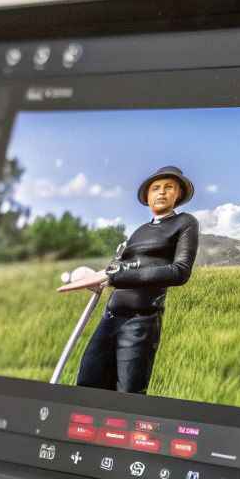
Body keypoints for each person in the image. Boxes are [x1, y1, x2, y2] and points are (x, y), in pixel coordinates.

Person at [58, 165, 199, 394]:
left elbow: (180, 271)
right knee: (88, 382)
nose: (161, 192)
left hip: (140, 320)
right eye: (155, 188)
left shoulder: (185, 223)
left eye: (168, 187)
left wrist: (120, 277)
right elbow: (113, 269)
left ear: (179, 193)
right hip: (111, 316)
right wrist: (88, 277)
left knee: (128, 392)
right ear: (147, 196)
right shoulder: (139, 231)